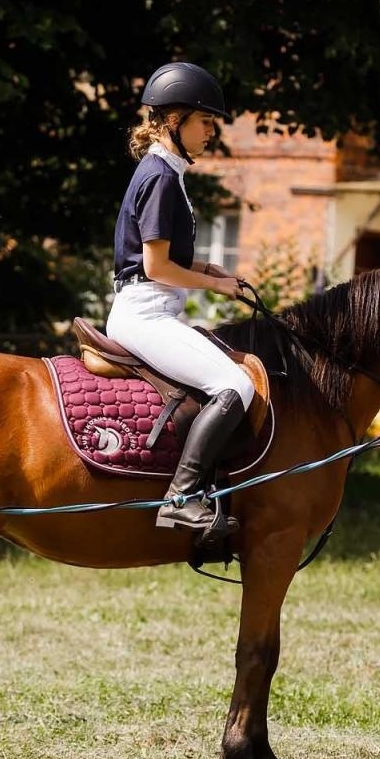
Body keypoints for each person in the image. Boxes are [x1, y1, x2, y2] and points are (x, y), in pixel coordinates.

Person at [106, 61, 253, 536]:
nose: (212, 132)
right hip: (144, 313)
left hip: (155, 307)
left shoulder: (168, 171)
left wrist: (209, 268)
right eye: (205, 121)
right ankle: (181, 499)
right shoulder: (161, 177)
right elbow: (155, 268)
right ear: (175, 121)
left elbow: (170, 260)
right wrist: (217, 286)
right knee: (236, 386)